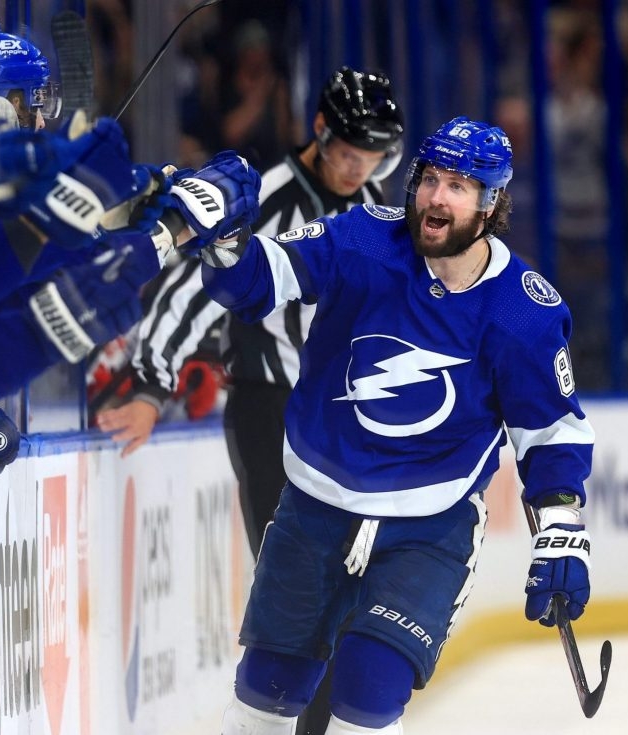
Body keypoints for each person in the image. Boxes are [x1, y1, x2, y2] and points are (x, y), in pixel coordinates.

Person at [177, 116, 594, 735]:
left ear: (492, 202)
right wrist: (223, 243)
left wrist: (561, 531)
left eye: (458, 185)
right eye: (429, 178)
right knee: (263, 695)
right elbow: (264, 277)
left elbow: (550, 433)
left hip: (429, 527)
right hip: (312, 510)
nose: (435, 196)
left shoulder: (522, 310)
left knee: (368, 694)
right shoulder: (362, 241)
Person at [96, 65, 404, 735]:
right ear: (320, 132)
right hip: (270, 409)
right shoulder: (260, 197)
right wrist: (152, 384)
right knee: (301, 585)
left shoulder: (383, 214)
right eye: (351, 151)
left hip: (350, 424)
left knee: (359, 587)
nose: (360, 167)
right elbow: (190, 291)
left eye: (374, 155)